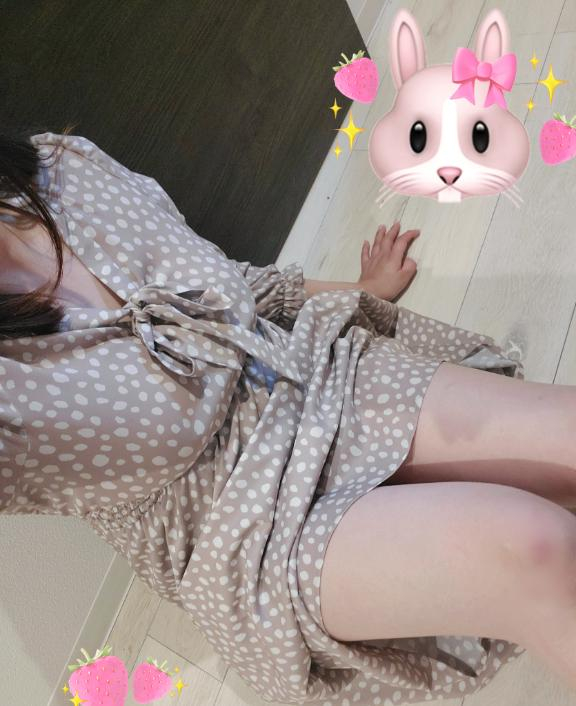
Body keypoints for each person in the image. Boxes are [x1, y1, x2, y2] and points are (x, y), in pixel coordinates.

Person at [1, 126, 574, 705]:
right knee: (533, 548)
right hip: (237, 529)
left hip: (308, 376)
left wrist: (362, 288)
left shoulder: (59, 164)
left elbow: (233, 285)